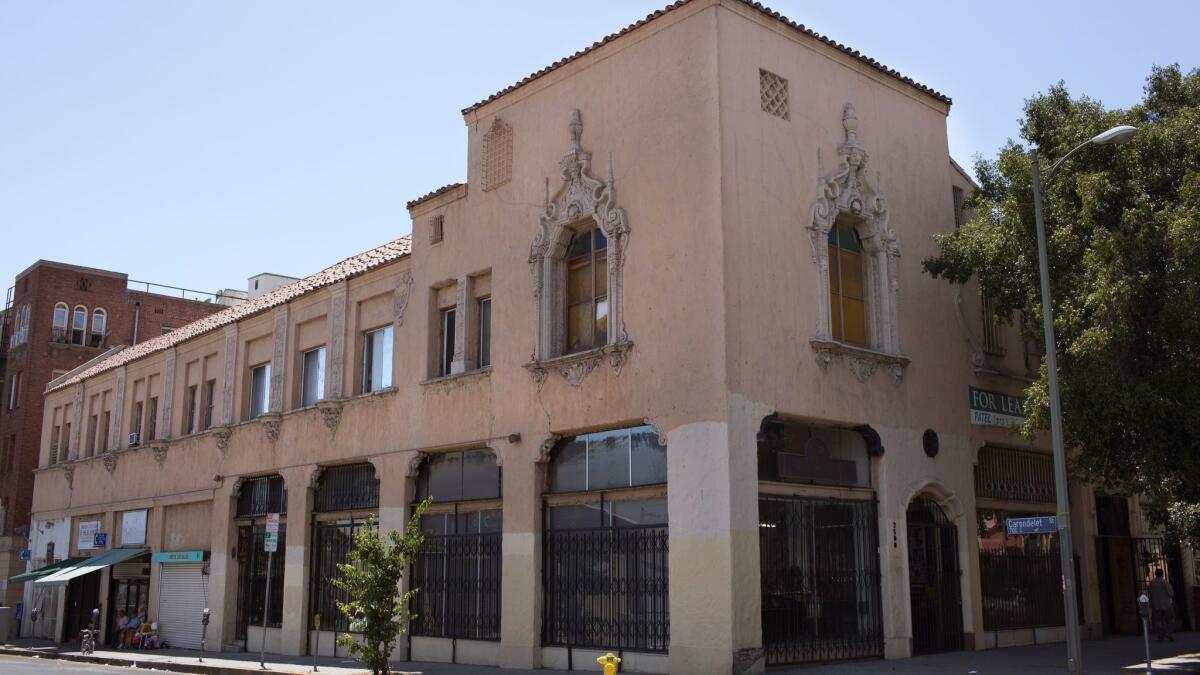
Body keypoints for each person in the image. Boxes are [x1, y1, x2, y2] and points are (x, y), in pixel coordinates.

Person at [1148, 568, 1174, 642]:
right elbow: (1171, 593)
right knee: (1170, 620)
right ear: (1162, 574)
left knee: (1157, 621)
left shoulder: (1151, 583)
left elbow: (1149, 593)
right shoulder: (1165, 582)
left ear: (1155, 574)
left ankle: (1161, 634)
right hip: (1166, 604)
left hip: (1155, 604)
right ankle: (1168, 632)